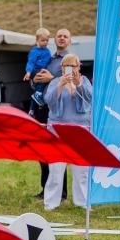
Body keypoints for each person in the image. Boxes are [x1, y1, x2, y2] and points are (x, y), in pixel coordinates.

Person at [43, 54, 93, 211]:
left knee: (82, 170)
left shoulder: (84, 81)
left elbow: (90, 98)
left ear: (79, 67)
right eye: (67, 65)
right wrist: (60, 85)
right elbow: (48, 100)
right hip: (58, 130)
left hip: (80, 130)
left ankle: (82, 201)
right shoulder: (55, 82)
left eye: (74, 65)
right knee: (56, 169)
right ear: (62, 68)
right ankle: (51, 203)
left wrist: (78, 85)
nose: (71, 68)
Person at [32, 28, 72, 201]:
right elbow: (39, 81)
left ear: (70, 41)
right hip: (42, 109)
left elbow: (70, 85)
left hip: (58, 111)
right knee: (43, 152)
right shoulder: (48, 58)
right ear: (54, 40)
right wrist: (35, 80)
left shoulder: (70, 61)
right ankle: (45, 189)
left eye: (65, 36)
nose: (62, 38)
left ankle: (61, 193)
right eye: (59, 36)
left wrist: (51, 79)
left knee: (57, 154)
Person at [23, 28, 52, 108]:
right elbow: (31, 62)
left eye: (47, 40)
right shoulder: (35, 51)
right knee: (42, 77)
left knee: (43, 79)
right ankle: (38, 93)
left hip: (43, 70)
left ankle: (32, 109)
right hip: (36, 70)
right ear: (37, 40)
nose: (45, 42)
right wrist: (28, 72)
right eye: (43, 40)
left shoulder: (47, 51)